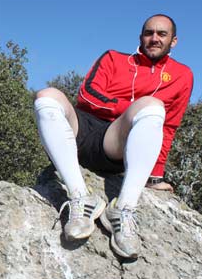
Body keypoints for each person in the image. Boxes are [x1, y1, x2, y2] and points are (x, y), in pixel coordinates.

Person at [34, 14, 193, 259]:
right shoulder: (113, 58)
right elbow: (86, 96)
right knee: (46, 96)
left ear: (173, 41)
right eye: (149, 33)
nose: (154, 38)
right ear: (140, 37)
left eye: (162, 34)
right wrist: (128, 108)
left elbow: (169, 126)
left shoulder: (182, 75)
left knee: (153, 107)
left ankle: (123, 210)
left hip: (116, 142)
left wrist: (154, 176)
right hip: (82, 129)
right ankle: (80, 198)